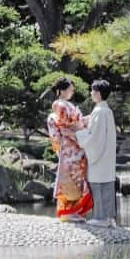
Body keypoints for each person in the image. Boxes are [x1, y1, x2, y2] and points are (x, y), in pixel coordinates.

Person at [46, 78, 93, 221]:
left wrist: (85, 121)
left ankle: (71, 211)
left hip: (71, 146)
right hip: (71, 146)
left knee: (75, 177)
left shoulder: (65, 105)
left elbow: (57, 134)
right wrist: (84, 124)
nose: (72, 91)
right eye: (70, 89)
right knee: (72, 178)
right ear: (61, 90)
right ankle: (68, 212)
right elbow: (69, 125)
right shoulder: (60, 105)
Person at [75, 79, 118, 226]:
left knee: (98, 185)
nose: (91, 93)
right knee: (107, 185)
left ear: (99, 94)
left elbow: (95, 137)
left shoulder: (99, 111)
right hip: (107, 155)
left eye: (93, 91)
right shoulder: (107, 111)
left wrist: (80, 132)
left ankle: (101, 218)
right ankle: (109, 217)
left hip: (99, 155)